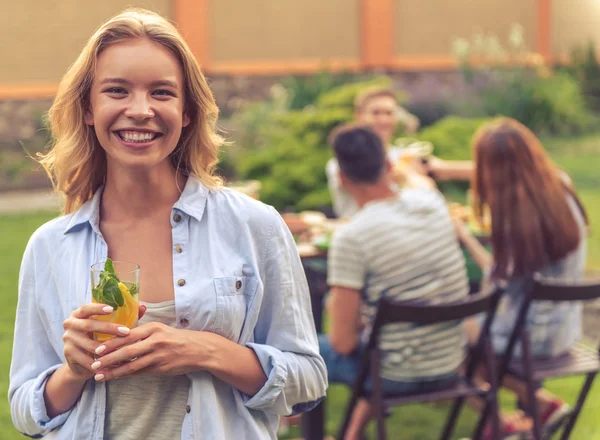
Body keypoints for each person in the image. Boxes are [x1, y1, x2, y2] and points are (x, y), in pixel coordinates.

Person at [8, 9, 327, 440]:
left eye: (161, 93)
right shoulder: (50, 245)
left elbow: (308, 382)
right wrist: (74, 370)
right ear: (88, 108)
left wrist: (207, 351)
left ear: (188, 111)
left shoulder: (254, 225)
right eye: (117, 91)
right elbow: (26, 413)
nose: (140, 111)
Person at [319, 124, 470, 440]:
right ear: (389, 166)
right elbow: (420, 183)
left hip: (392, 376)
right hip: (451, 364)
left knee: (302, 350)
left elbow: (343, 343)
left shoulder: (352, 237)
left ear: (343, 180)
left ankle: (305, 429)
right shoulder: (433, 204)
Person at [455, 117, 588, 437]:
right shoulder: (561, 186)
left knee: (449, 340)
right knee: (472, 346)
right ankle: (533, 407)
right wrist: (442, 169)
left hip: (528, 339)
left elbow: (495, 286)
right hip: (566, 330)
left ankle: (501, 421)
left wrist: (464, 237)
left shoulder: (518, 220)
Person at [325, 86, 473, 219]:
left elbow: (444, 169)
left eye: (389, 113)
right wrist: (409, 176)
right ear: (359, 116)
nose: (383, 119)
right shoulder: (343, 162)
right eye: (376, 113)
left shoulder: (404, 156)